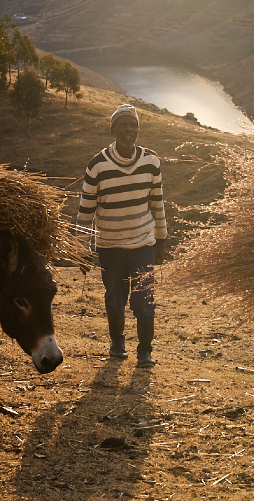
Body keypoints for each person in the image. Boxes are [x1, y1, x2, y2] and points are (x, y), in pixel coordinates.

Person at [76, 104, 170, 367]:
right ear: (114, 129)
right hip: (110, 244)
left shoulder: (151, 162)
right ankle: (117, 343)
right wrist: (80, 248)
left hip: (143, 242)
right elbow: (85, 210)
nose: (129, 130)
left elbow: (157, 203)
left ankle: (145, 351)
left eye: (134, 125)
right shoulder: (97, 166)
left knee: (143, 298)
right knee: (114, 295)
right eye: (124, 125)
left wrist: (161, 238)